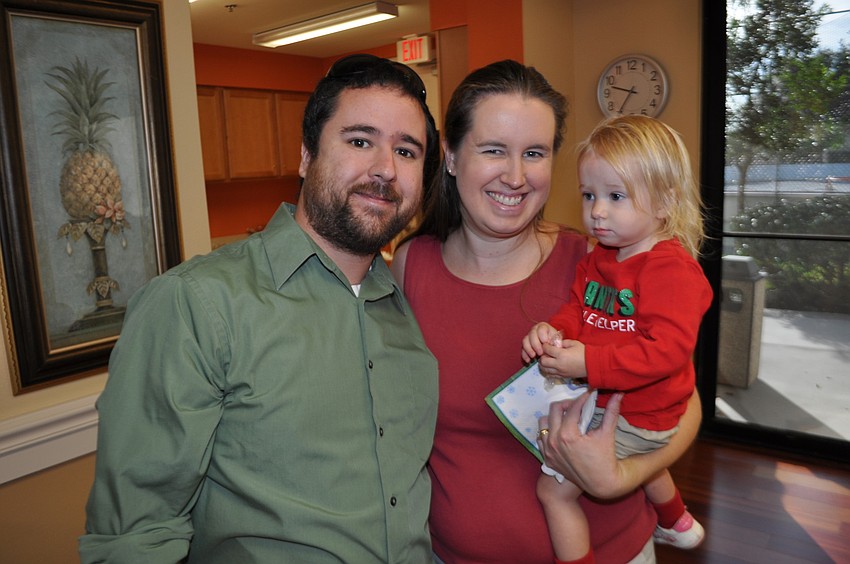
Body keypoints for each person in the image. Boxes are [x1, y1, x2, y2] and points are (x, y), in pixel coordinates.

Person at [79, 53, 440, 563]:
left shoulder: (405, 307)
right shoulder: (197, 304)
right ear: (306, 157)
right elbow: (135, 537)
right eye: (360, 141)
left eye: (407, 151)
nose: (385, 169)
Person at [391, 60, 702, 564]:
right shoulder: (410, 267)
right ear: (450, 156)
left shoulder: (598, 263)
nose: (515, 177)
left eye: (533, 153)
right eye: (494, 150)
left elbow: (684, 405)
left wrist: (622, 475)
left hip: (614, 550)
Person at [522, 115, 711, 563]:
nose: (597, 211)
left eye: (615, 196)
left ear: (665, 203)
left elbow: (666, 351)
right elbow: (579, 308)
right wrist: (554, 329)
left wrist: (588, 363)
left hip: (643, 412)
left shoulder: (671, 270)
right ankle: (676, 520)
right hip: (614, 400)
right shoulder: (600, 258)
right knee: (636, 462)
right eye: (589, 195)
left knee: (553, 493)